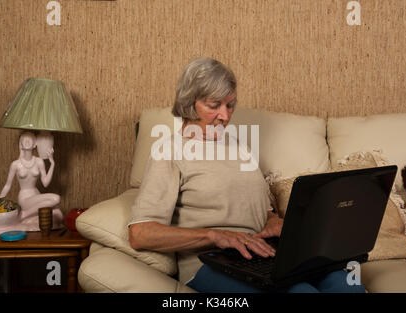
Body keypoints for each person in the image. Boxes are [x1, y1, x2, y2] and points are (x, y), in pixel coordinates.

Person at [128, 57, 365, 293]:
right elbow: (140, 234)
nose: (225, 116)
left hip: (261, 253)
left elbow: (259, 206)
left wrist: (273, 221)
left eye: (230, 105)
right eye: (214, 106)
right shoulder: (168, 151)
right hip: (210, 263)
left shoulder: (238, 146)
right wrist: (214, 236)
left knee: (346, 285)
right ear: (189, 102)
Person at [0, 131, 63, 230]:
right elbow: (7, 185)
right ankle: (24, 215)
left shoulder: (39, 161)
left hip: (36, 195)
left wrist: (52, 163)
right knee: (56, 199)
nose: (27, 141)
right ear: (20, 144)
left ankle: (26, 217)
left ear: (35, 144)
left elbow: (45, 183)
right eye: (24, 139)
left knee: (58, 214)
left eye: (30, 139)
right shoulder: (16, 164)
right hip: (25, 198)